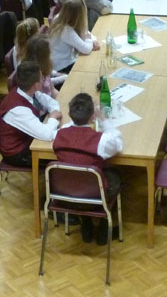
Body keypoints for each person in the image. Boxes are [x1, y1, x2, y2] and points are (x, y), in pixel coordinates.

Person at [53, 91, 124, 244]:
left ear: (69, 114)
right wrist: (103, 119)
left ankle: (86, 224)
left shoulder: (58, 135)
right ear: (92, 116)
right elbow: (118, 143)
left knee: (77, 175)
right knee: (116, 174)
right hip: (94, 197)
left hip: (64, 194)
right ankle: (104, 228)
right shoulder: (101, 141)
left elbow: (67, 128)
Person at [0, 61, 61, 167]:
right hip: (18, 153)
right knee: (63, 156)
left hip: (29, 138)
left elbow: (51, 103)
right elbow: (47, 135)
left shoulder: (27, 91)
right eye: (41, 78)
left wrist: (54, 112)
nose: (43, 80)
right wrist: (53, 118)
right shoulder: (18, 110)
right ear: (36, 85)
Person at [47, 0, 99, 72]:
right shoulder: (66, 30)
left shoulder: (59, 18)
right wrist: (89, 40)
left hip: (59, 61)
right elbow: (86, 49)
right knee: (92, 64)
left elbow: (85, 31)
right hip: (62, 66)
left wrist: (93, 40)